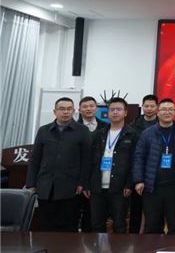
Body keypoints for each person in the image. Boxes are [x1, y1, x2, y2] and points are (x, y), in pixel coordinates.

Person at [26, 97, 91, 232]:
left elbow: (87, 160)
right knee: (46, 226)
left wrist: (82, 183)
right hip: (45, 186)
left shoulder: (83, 131)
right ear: (55, 111)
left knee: (68, 227)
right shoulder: (44, 130)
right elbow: (35, 159)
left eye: (69, 109)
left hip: (71, 187)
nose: (65, 112)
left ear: (74, 111)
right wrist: (31, 183)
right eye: (62, 109)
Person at [132, 98, 175, 234]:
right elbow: (139, 157)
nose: (167, 112)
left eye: (170, 109)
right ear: (158, 112)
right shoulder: (147, 133)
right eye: (164, 109)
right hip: (152, 187)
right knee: (152, 226)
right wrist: (138, 180)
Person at [86, 97, 138, 233]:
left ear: (125, 113)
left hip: (120, 188)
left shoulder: (132, 135)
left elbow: (135, 162)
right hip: (97, 187)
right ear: (107, 112)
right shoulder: (98, 134)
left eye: (119, 109)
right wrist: (87, 183)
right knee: (97, 225)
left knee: (119, 225)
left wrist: (129, 184)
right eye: (112, 109)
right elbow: (89, 161)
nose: (115, 112)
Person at [76, 95, 107, 232]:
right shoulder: (73, 127)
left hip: (97, 175)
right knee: (74, 213)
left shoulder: (106, 127)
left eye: (91, 106)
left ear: (96, 108)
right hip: (76, 176)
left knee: (93, 214)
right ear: (79, 110)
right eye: (85, 106)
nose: (88, 109)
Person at [129, 93, 159, 234]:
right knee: (136, 209)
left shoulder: (163, 125)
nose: (149, 109)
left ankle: (153, 239)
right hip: (139, 172)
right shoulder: (133, 126)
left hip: (156, 173)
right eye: (146, 106)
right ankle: (133, 239)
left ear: (157, 107)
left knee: (154, 212)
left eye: (152, 106)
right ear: (142, 107)